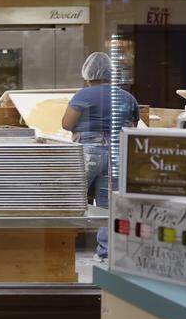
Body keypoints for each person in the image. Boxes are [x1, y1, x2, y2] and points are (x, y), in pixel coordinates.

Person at [61, 51, 143, 262]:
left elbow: (66, 124)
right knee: (109, 206)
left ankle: (59, 249)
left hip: (89, 153)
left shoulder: (83, 95)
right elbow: (133, 126)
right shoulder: (127, 97)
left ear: (87, 74)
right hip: (117, 154)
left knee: (70, 201)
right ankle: (105, 253)